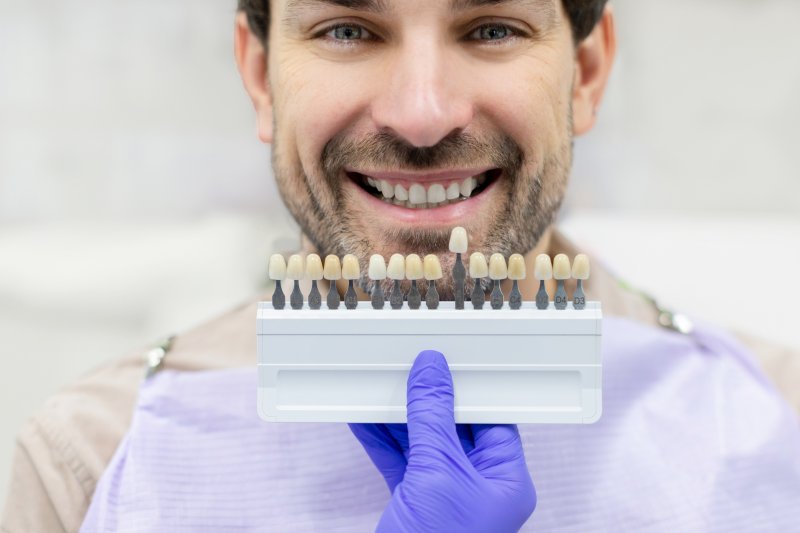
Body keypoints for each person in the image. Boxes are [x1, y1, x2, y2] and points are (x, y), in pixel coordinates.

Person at [3, 1, 800, 531]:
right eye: (348, 29)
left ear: (585, 73)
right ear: (260, 78)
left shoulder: (776, 420)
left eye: (492, 27)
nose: (422, 115)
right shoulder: (87, 466)